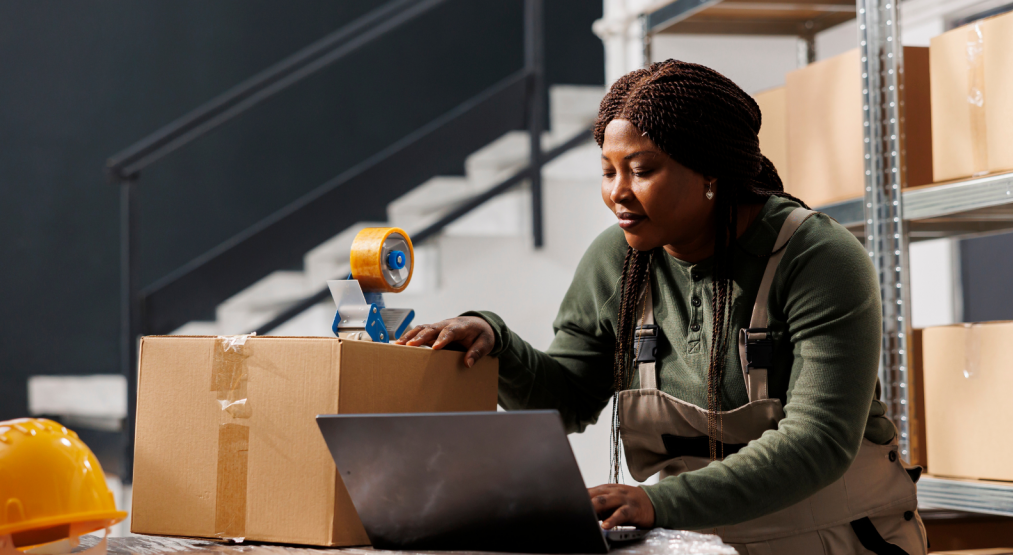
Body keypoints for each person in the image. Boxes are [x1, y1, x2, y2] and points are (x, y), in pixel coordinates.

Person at [396, 59, 927, 555]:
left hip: (839, 538)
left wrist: (656, 502)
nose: (617, 194)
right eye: (608, 171)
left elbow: (818, 442)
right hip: (697, 542)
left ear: (711, 175)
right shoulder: (618, 262)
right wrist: (496, 343)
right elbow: (567, 399)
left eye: (641, 169)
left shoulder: (817, 259)